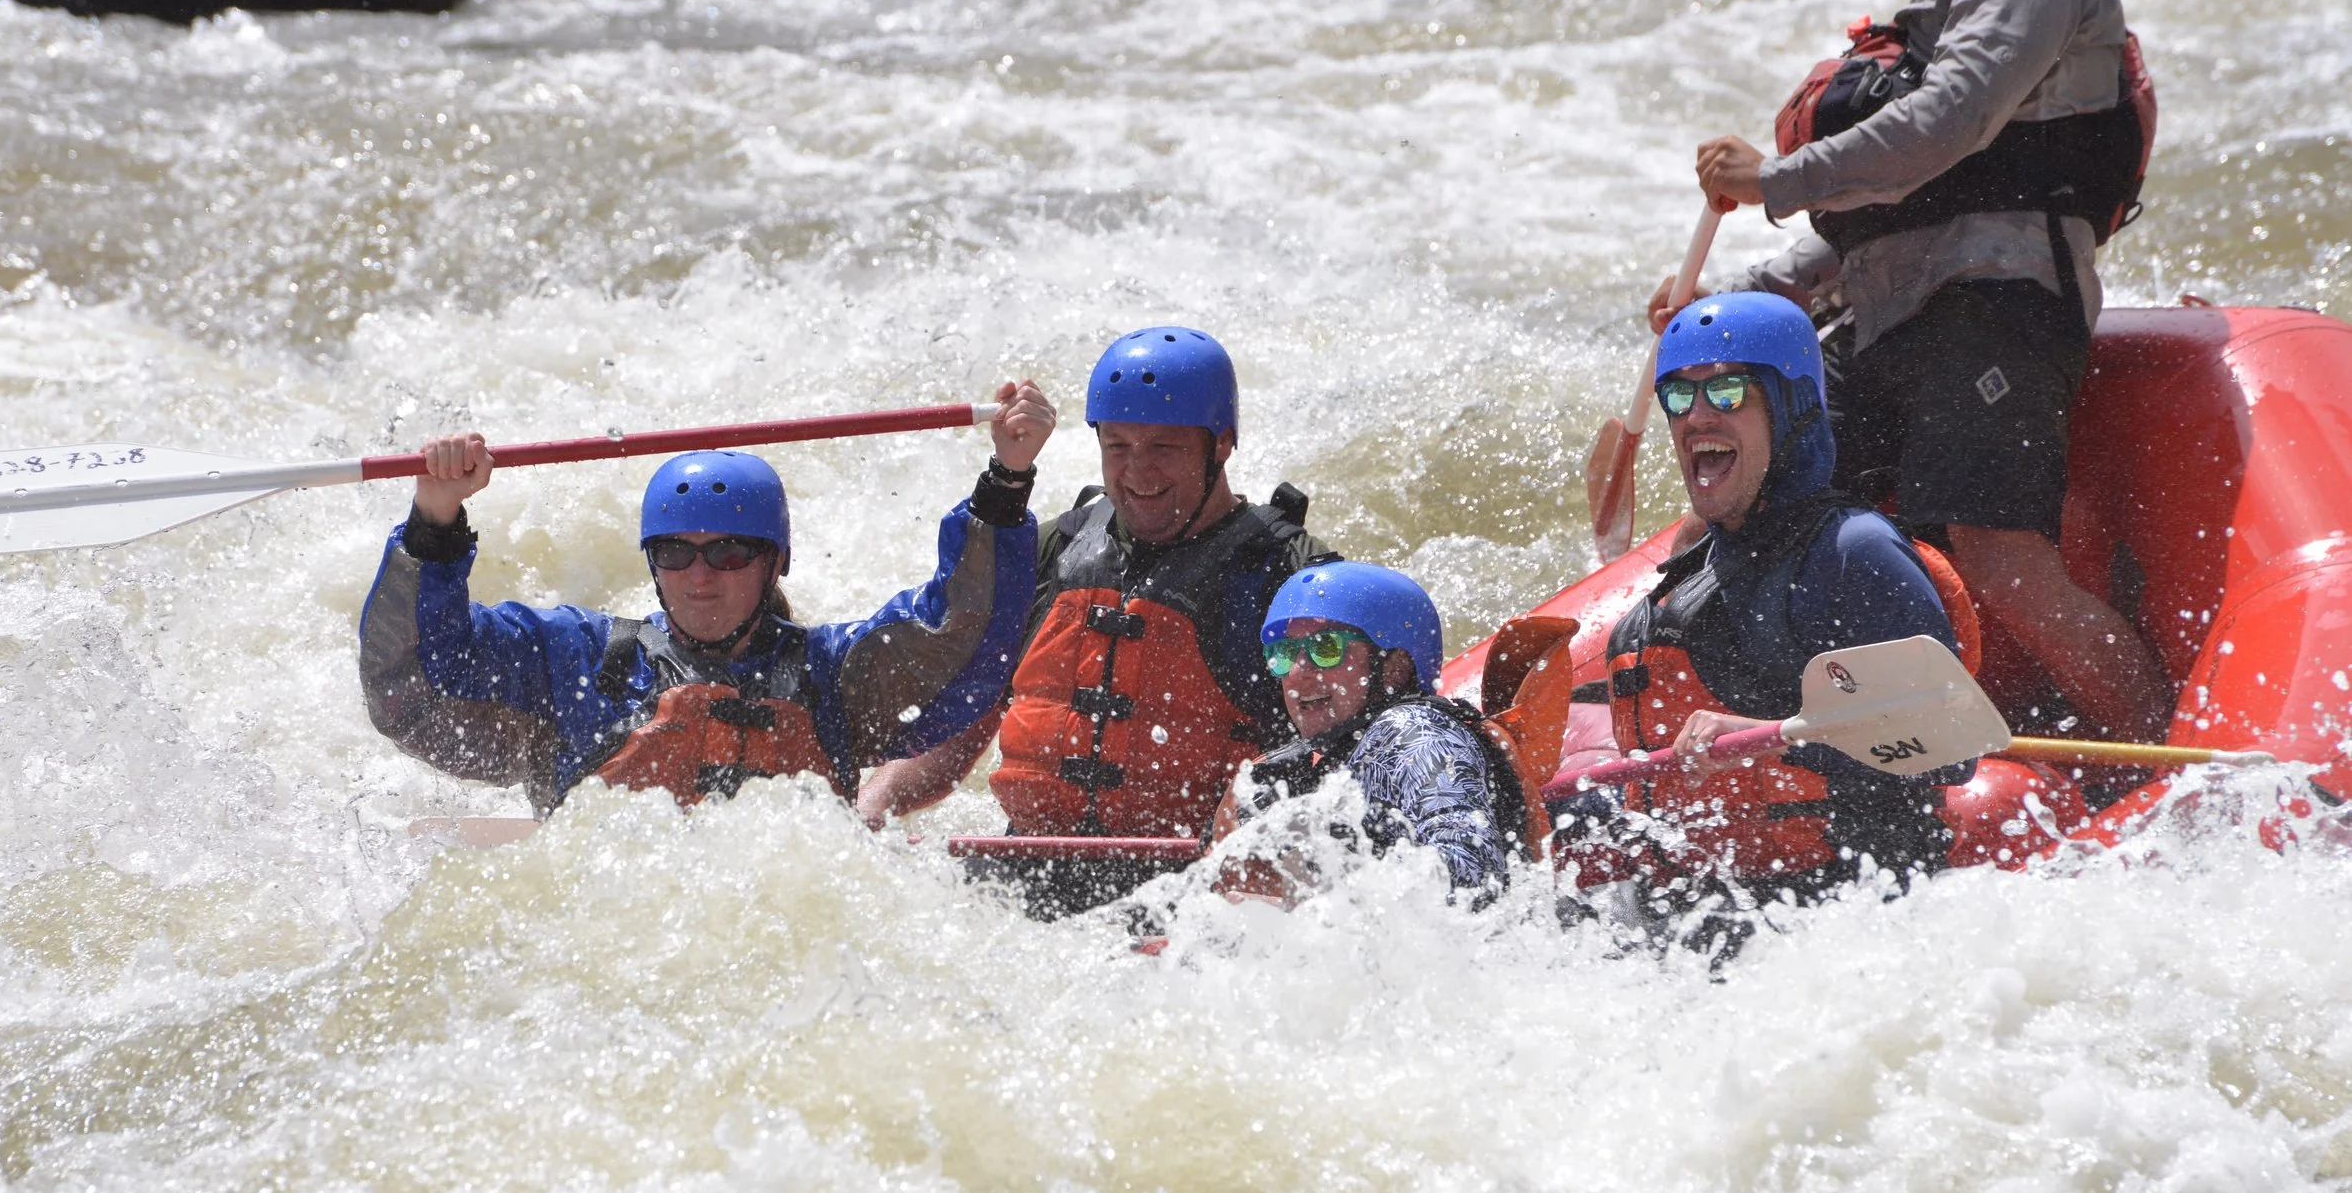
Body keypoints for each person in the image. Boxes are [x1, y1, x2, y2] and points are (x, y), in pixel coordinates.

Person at [1652, 0, 2170, 743]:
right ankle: (1723, 749)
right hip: (1885, 323)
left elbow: (1953, 120)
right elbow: (1883, 226)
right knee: (1735, 515)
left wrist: (1775, 179)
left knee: (2003, 562)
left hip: (2002, 307)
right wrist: (1733, 298)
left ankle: (2162, 764)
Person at [358, 383, 1053, 816]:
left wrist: (1008, 476)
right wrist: (435, 519)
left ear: (774, 559)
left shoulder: (835, 677)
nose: (700, 575)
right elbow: (414, 682)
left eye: (728, 552)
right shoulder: (578, 663)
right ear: (652, 564)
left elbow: (961, 637)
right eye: (675, 552)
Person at [855, 327, 1333, 907]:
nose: (1139, 472)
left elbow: (1348, 748)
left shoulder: (1288, 576)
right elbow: (962, 721)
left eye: (1165, 447)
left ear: (1222, 444)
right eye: (1119, 446)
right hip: (1028, 875)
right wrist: (875, 803)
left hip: (1196, 894)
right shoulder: (1054, 551)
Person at [1587, 291, 1974, 912]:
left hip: (1841, 905)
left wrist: (1774, 738)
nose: (1698, 416)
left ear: (1791, 406)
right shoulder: (1704, 564)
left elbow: (1947, 750)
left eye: (1729, 392)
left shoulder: (1854, 553)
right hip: (1697, 901)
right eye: (1680, 396)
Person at [1212, 562, 1531, 898]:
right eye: (1284, 653)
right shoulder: (1309, 767)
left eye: (1326, 648)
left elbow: (1473, 879)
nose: (1297, 673)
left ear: (1394, 668)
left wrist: (1315, 895)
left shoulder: (1416, 734)